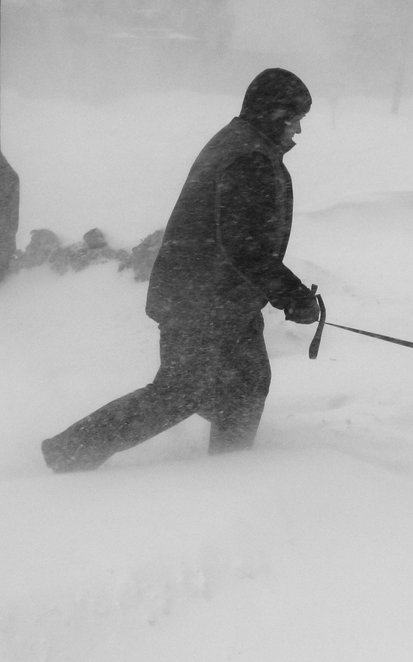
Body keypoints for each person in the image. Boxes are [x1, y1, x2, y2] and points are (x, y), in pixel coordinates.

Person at [42, 68, 321, 473]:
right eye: (294, 118)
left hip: (215, 298)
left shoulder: (242, 145)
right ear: (273, 114)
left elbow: (241, 243)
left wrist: (280, 293)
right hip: (202, 300)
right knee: (180, 393)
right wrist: (291, 294)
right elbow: (243, 244)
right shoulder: (248, 159)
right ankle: (69, 452)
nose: (298, 129)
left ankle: (228, 472)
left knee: (245, 386)